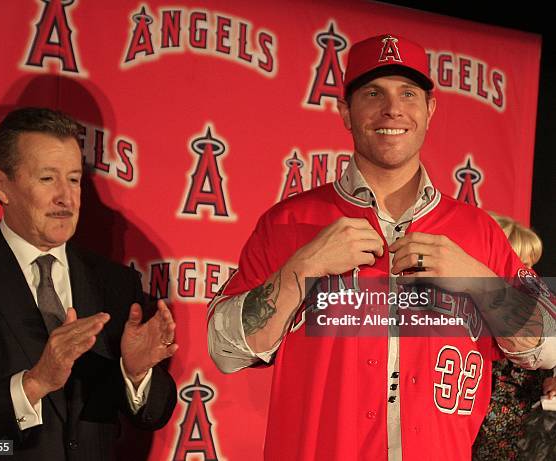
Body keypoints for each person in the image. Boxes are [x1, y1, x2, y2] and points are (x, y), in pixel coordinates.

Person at [207, 34, 556, 461]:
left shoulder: (477, 231)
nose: (392, 108)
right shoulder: (288, 222)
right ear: (346, 113)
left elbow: (550, 343)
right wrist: (303, 267)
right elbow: (224, 350)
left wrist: (476, 279)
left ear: (429, 110)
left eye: (408, 93)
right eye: (373, 93)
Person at [0, 107, 178, 460]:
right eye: (47, 179)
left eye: (73, 179)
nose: (66, 199)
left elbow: (151, 415)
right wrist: (33, 384)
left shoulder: (115, 282)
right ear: (1, 186)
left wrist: (137, 373)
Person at [473, 213, 551, 460]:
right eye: (520, 264)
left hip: (524, 425)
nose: (528, 274)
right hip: (473, 419)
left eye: (530, 265)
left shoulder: (540, 305)